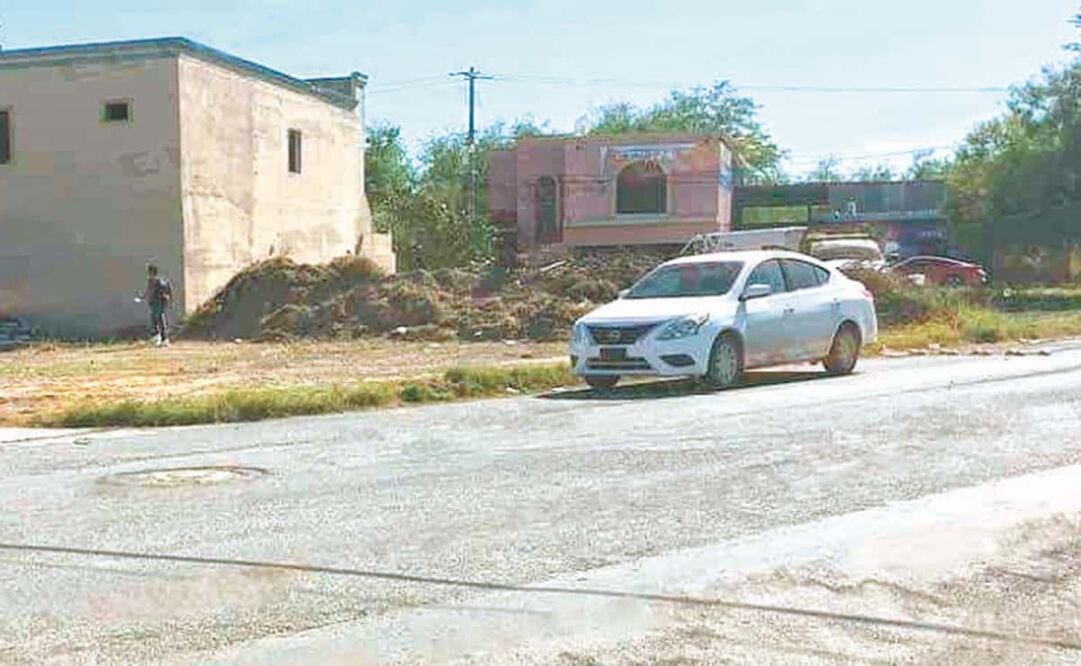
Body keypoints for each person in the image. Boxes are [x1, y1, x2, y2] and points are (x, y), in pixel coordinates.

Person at [142, 263, 173, 347]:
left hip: (156, 302)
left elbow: (150, 291)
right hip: (163, 302)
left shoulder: (152, 280)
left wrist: (144, 297)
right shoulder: (164, 280)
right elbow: (169, 291)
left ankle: (157, 338)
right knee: (161, 319)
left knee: (155, 320)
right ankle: (164, 339)